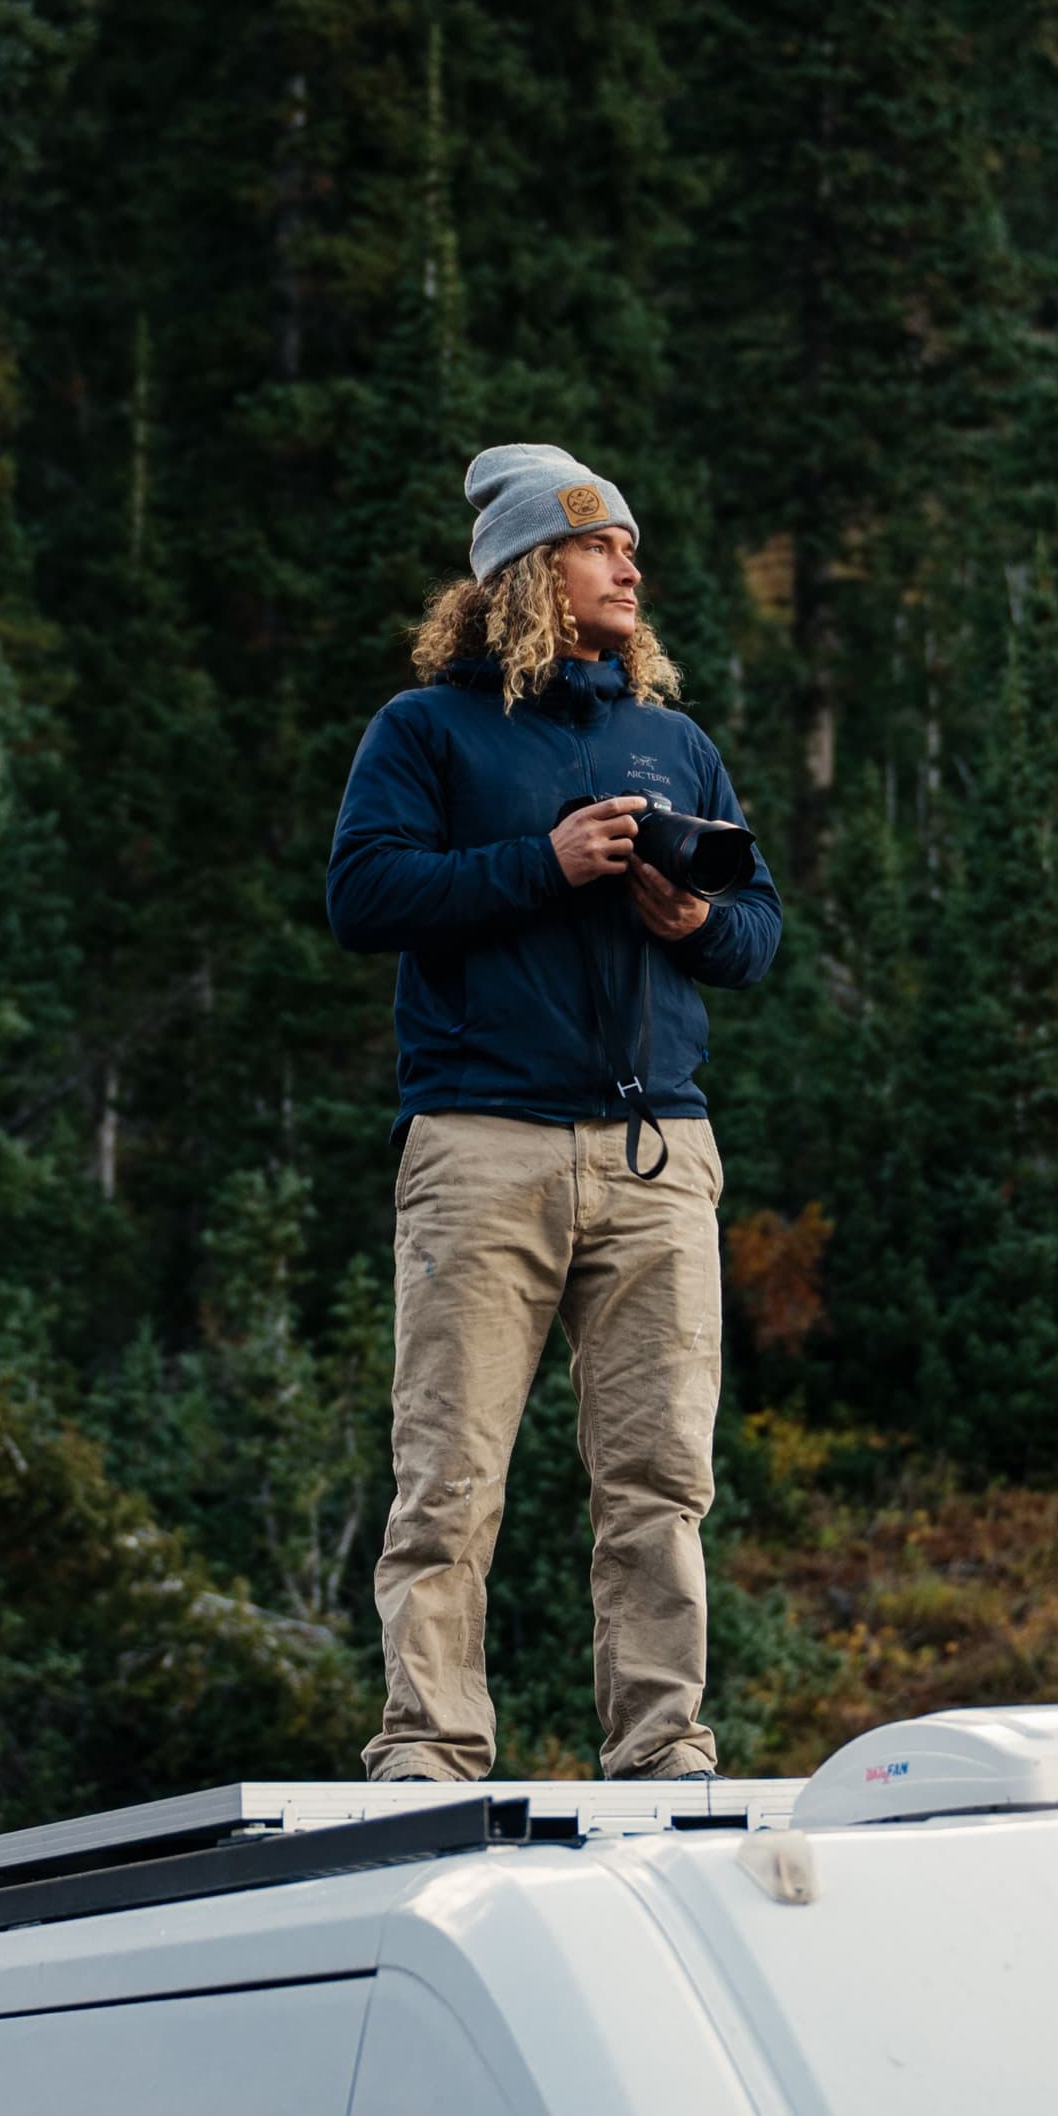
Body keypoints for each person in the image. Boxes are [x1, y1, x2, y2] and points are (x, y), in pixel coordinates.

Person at [324, 443, 785, 1782]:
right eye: (600, 545)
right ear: (530, 571)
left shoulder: (674, 742)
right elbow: (363, 897)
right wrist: (545, 861)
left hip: (658, 1152)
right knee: (449, 1477)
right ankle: (429, 1747)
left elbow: (758, 936)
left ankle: (661, 1747)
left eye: (630, 545)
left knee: (660, 1484)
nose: (630, 564)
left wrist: (692, 916)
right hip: (481, 1145)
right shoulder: (425, 732)